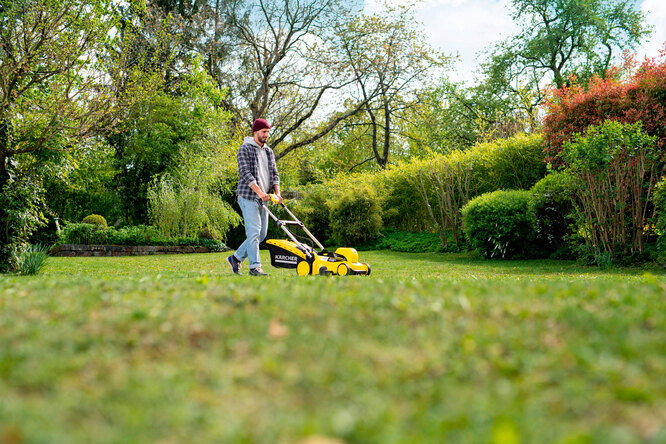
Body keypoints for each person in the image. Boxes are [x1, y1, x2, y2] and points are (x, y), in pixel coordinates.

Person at [227, 118, 282, 276]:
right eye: (264, 132)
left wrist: (277, 193)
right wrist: (260, 192)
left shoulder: (268, 151)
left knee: (261, 234)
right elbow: (245, 172)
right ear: (255, 131)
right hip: (248, 196)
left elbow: (274, 174)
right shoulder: (245, 148)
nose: (266, 135)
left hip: (264, 198)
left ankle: (236, 258)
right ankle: (255, 267)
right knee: (253, 233)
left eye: (267, 132)